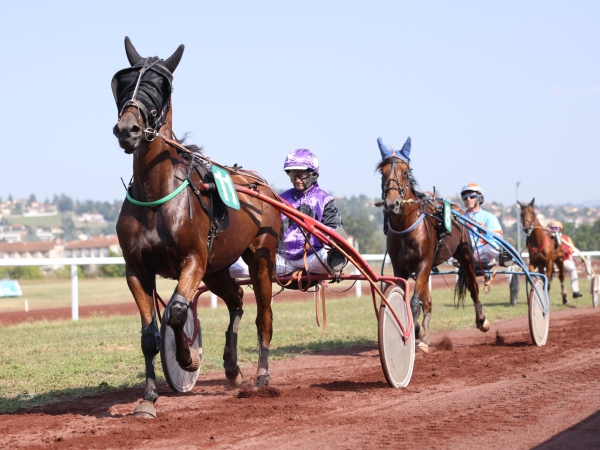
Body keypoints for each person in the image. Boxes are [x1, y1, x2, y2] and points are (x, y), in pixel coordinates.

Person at [229, 148, 347, 278]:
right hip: (282, 261)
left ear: (313, 174)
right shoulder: (280, 200)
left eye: (300, 175)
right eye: (292, 175)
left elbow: (331, 228)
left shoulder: (325, 200)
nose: (296, 180)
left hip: (314, 257)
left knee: (330, 253)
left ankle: (335, 260)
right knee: (233, 266)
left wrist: (332, 240)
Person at [460, 183, 513, 267]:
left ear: (480, 198)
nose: (468, 199)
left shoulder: (489, 217)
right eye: (465, 197)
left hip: (483, 252)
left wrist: (486, 230)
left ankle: (503, 258)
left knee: (491, 246)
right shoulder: (460, 218)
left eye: (472, 196)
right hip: (464, 253)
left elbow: (499, 238)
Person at [549, 220, 583, 298]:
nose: (554, 230)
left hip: (565, 260)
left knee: (572, 269)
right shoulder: (548, 239)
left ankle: (575, 291)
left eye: (556, 228)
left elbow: (571, 249)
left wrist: (566, 250)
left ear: (560, 229)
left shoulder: (566, 238)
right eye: (552, 228)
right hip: (551, 261)